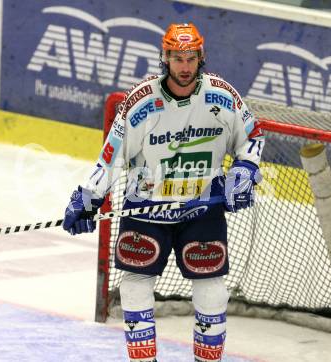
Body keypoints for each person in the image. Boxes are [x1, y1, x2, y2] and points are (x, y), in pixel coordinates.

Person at [62, 22, 264, 362]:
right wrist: (88, 198)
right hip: (146, 211)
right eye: (176, 58)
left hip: (202, 210)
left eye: (190, 58)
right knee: (135, 286)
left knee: (213, 292)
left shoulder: (223, 96)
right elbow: (111, 158)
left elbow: (252, 138)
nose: (184, 66)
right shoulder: (141, 102)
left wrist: (244, 171)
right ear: (164, 58)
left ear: (201, 57)